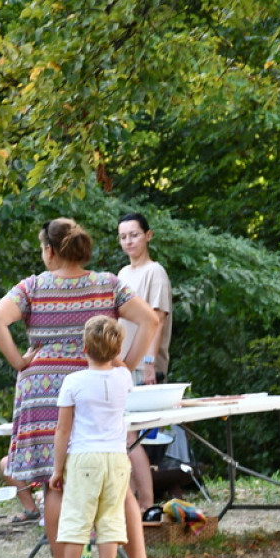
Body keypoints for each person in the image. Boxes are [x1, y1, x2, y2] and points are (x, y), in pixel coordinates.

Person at [0, 217, 160, 558]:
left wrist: (20, 361)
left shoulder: (32, 287)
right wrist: (125, 364)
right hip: (98, 386)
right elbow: (150, 322)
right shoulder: (108, 284)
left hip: (44, 391)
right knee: (118, 480)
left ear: (50, 250)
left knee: (56, 482)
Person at [49, 316, 133, 558]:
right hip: (118, 458)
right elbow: (118, 365)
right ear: (117, 348)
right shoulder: (124, 377)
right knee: (110, 517)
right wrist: (114, 353)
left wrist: (57, 469)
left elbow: (63, 430)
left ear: (83, 347)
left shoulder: (73, 382)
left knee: (76, 516)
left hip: (85, 457)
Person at [117, 212, 173, 512]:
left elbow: (157, 319)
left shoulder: (155, 272)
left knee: (130, 436)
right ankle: (134, 502)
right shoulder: (123, 274)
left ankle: (147, 504)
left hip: (144, 365)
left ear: (148, 236)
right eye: (123, 236)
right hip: (122, 365)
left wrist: (149, 362)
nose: (129, 241)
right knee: (124, 435)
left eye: (134, 235)